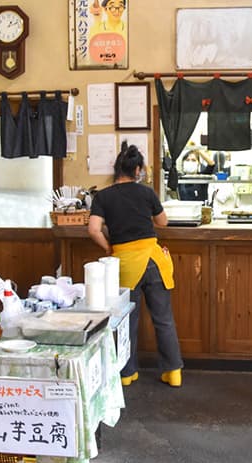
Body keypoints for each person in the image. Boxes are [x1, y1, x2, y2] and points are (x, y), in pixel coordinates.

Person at [88, 143, 183, 387]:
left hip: (125, 265)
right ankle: (173, 372)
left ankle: (127, 374)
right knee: (163, 318)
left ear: (117, 168)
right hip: (153, 260)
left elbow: (94, 229)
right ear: (137, 169)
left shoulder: (103, 196)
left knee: (125, 320)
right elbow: (163, 222)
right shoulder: (146, 192)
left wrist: (109, 248)